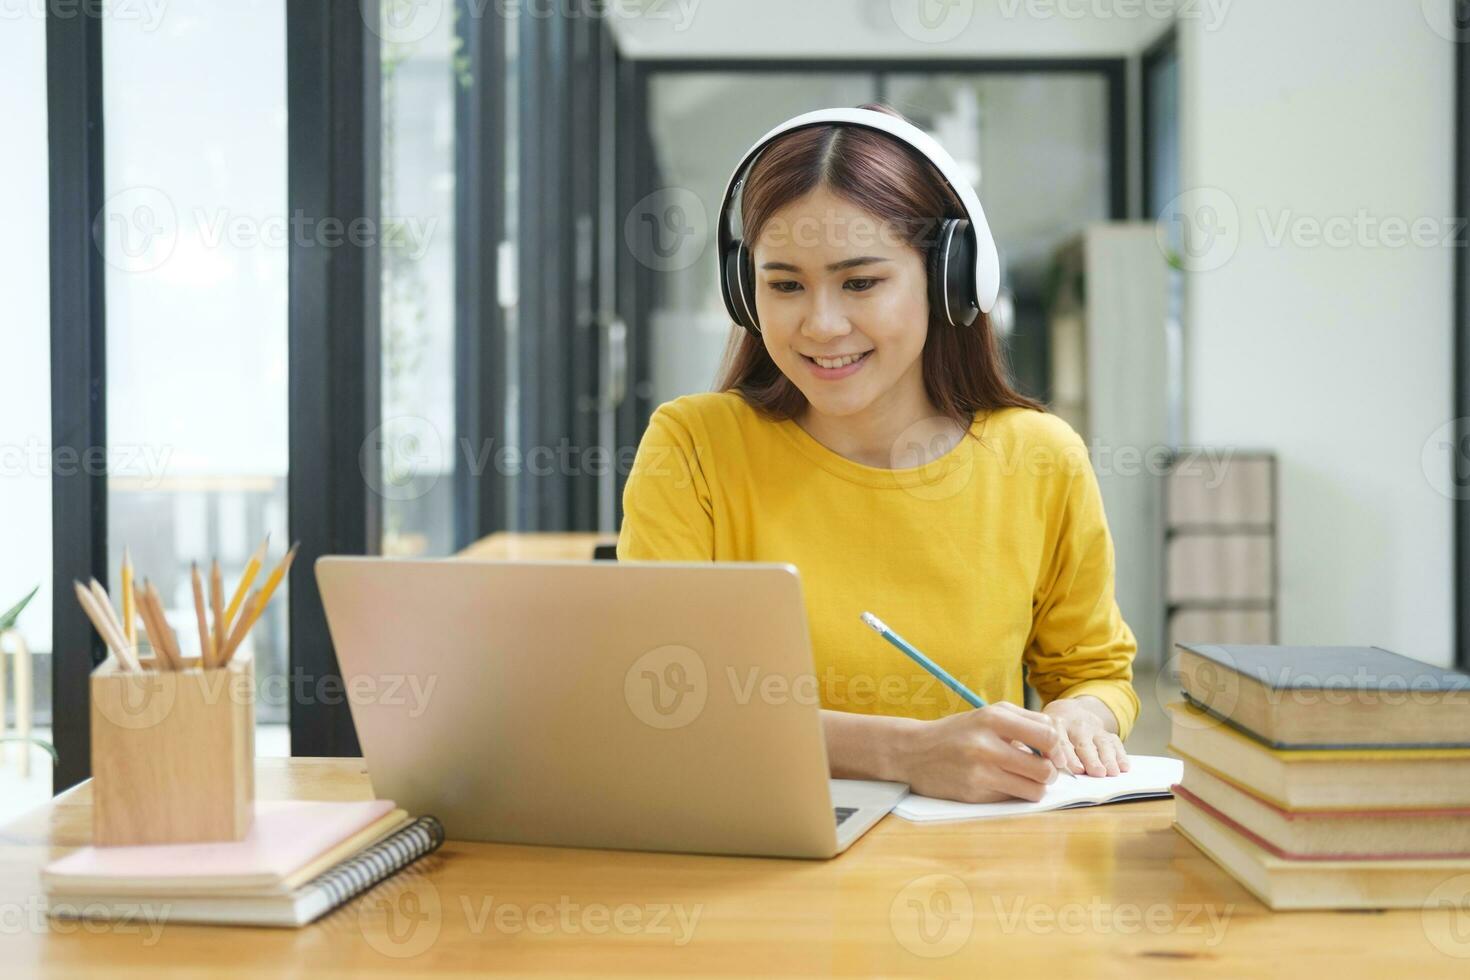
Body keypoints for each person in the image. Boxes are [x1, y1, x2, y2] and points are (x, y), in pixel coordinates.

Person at [617, 103, 1139, 804]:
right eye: (785, 284)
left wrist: (1081, 715)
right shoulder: (694, 447)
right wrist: (907, 752)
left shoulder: (1039, 458)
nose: (822, 324)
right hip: (751, 862)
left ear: (948, 278)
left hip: (974, 871)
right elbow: (660, 694)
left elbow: (1093, 671)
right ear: (747, 292)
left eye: (860, 282)